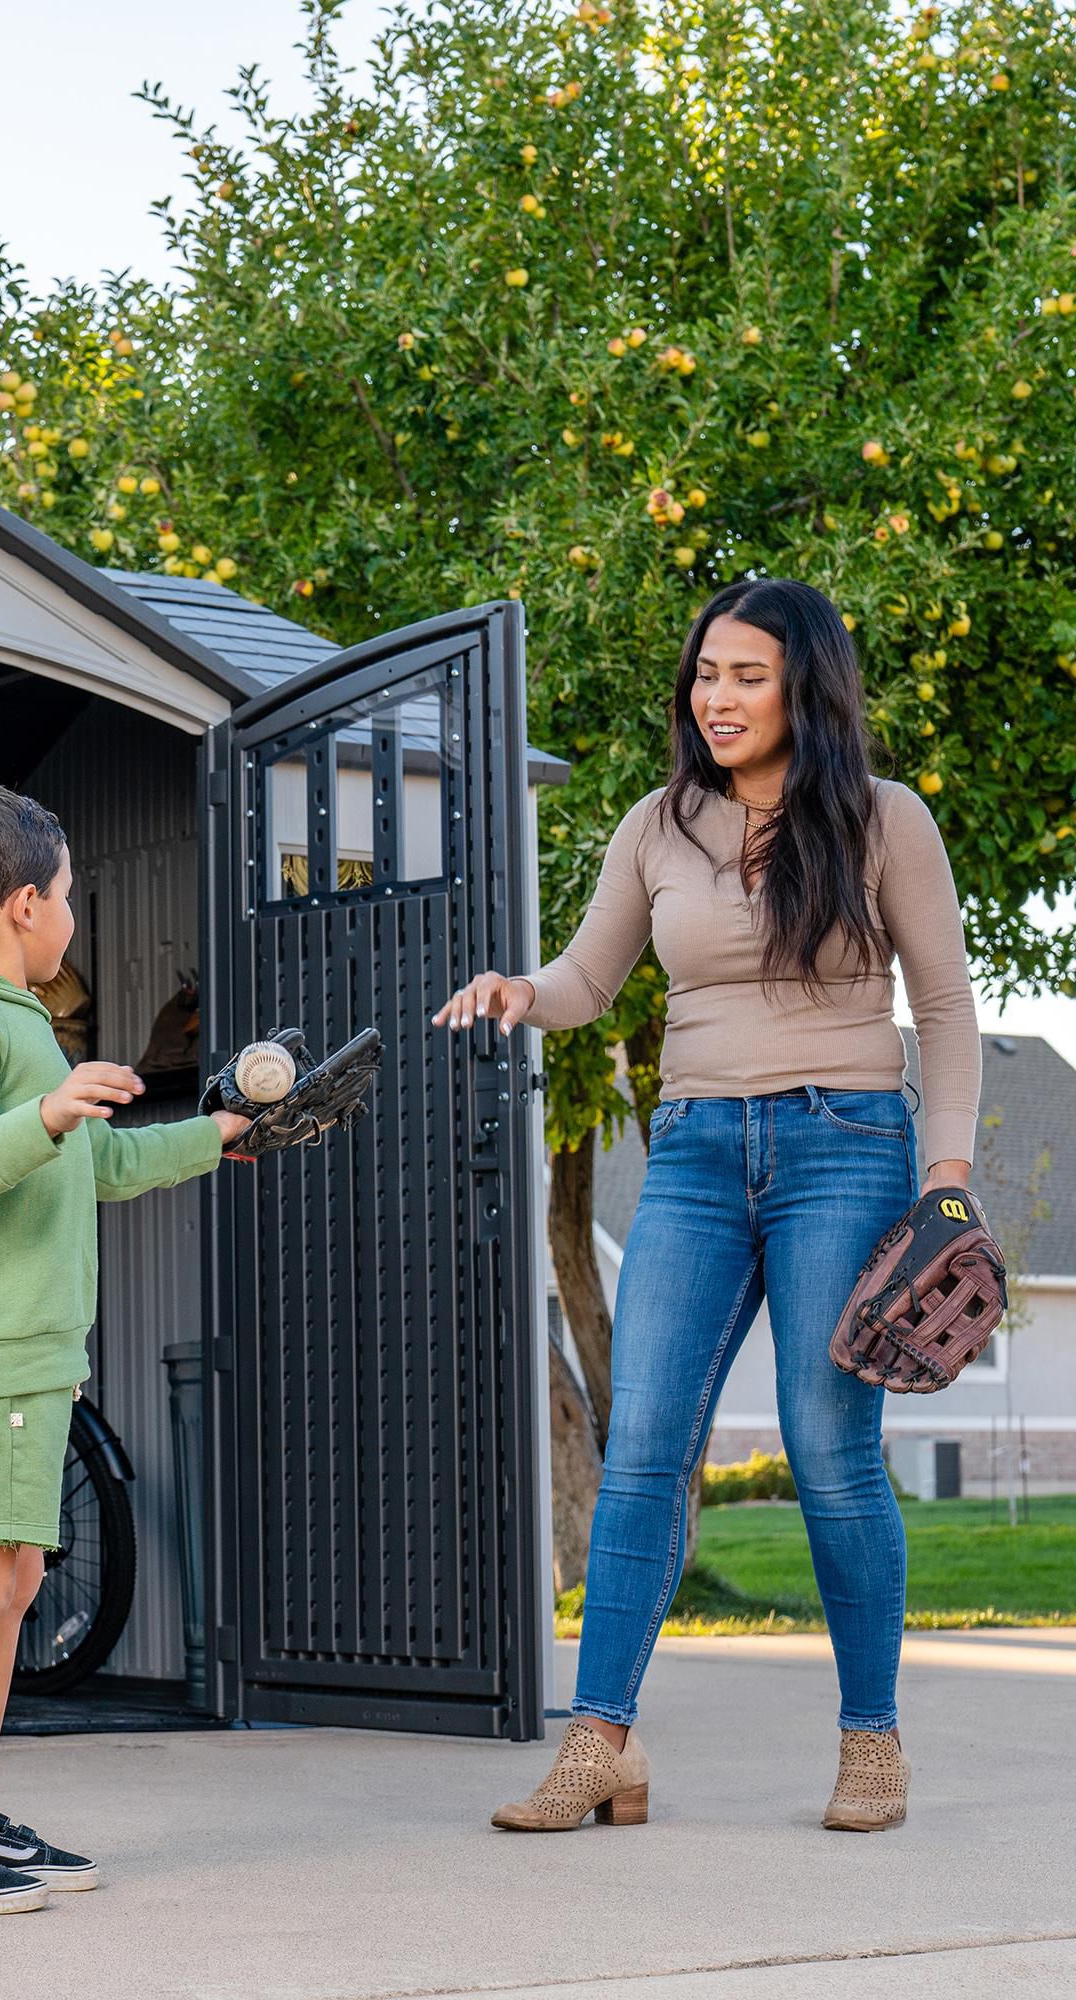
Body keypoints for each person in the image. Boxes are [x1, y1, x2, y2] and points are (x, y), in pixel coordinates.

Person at [435, 578, 978, 1835]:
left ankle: (869, 1742)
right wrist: (520, 989)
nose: (716, 696)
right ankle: (598, 1745)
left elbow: (944, 1010)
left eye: (745, 673)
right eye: (703, 674)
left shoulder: (882, 820)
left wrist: (943, 1170)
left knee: (826, 1446)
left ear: (804, 685)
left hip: (844, 1143)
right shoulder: (656, 824)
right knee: (642, 1452)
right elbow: (587, 975)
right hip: (686, 1151)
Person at [0, 785, 251, 1913]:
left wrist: (214, 1136)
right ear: (24, 904)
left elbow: (96, 1166)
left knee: (14, 1573)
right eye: (68, 896)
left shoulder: (14, 1020)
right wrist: (46, 1114)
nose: (72, 915)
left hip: (23, 1348)